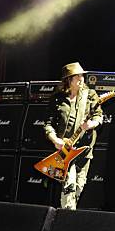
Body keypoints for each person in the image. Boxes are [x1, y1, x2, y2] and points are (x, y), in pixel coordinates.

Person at [43, 62, 103, 210]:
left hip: (85, 149)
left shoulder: (90, 95)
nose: (81, 79)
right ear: (68, 80)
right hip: (66, 150)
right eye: (77, 76)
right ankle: (66, 218)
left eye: (82, 75)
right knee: (68, 186)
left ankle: (68, 216)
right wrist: (55, 140)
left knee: (78, 186)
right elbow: (48, 124)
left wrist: (91, 124)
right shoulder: (57, 98)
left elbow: (99, 116)